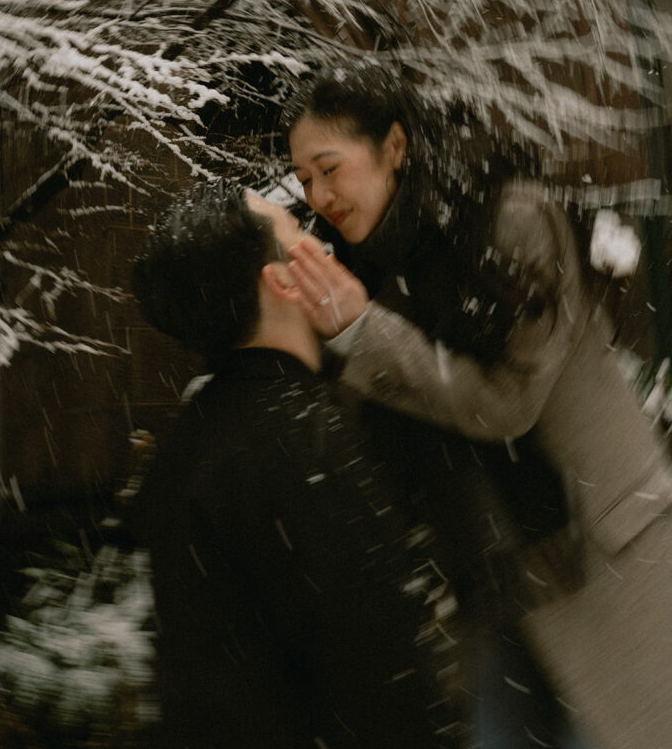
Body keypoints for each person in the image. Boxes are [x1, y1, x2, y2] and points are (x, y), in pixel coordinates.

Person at [283, 65, 672, 749]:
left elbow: (507, 404)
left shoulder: (511, 219)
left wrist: (361, 331)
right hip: (494, 574)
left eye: (328, 168)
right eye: (303, 179)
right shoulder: (365, 271)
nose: (317, 195)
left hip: (597, 545)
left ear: (394, 147)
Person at [130, 178, 465, 749]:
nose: (322, 242)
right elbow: (378, 678)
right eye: (296, 231)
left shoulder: (191, 441)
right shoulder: (304, 442)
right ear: (282, 279)